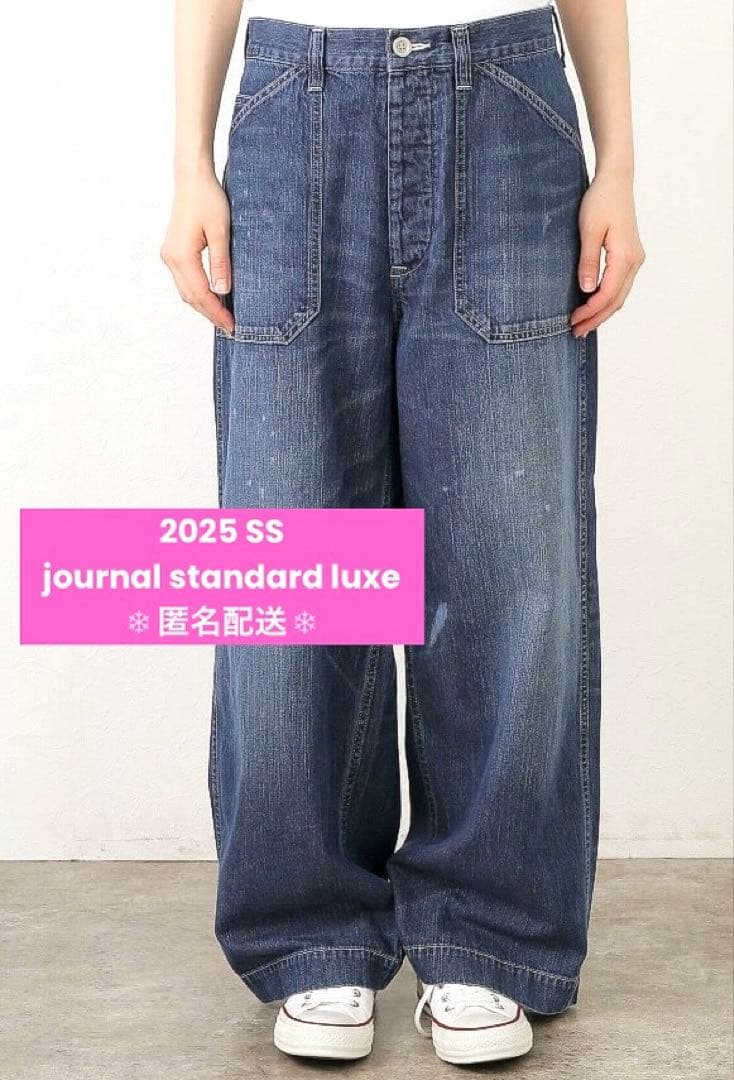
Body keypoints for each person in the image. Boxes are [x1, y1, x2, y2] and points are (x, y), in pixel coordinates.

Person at [162, 0, 644, 1065]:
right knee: (294, 562)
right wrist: (190, 162)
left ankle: (487, 934)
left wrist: (617, 164)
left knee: (508, 566)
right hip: (292, 107)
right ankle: (313, 932)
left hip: (507, 106)